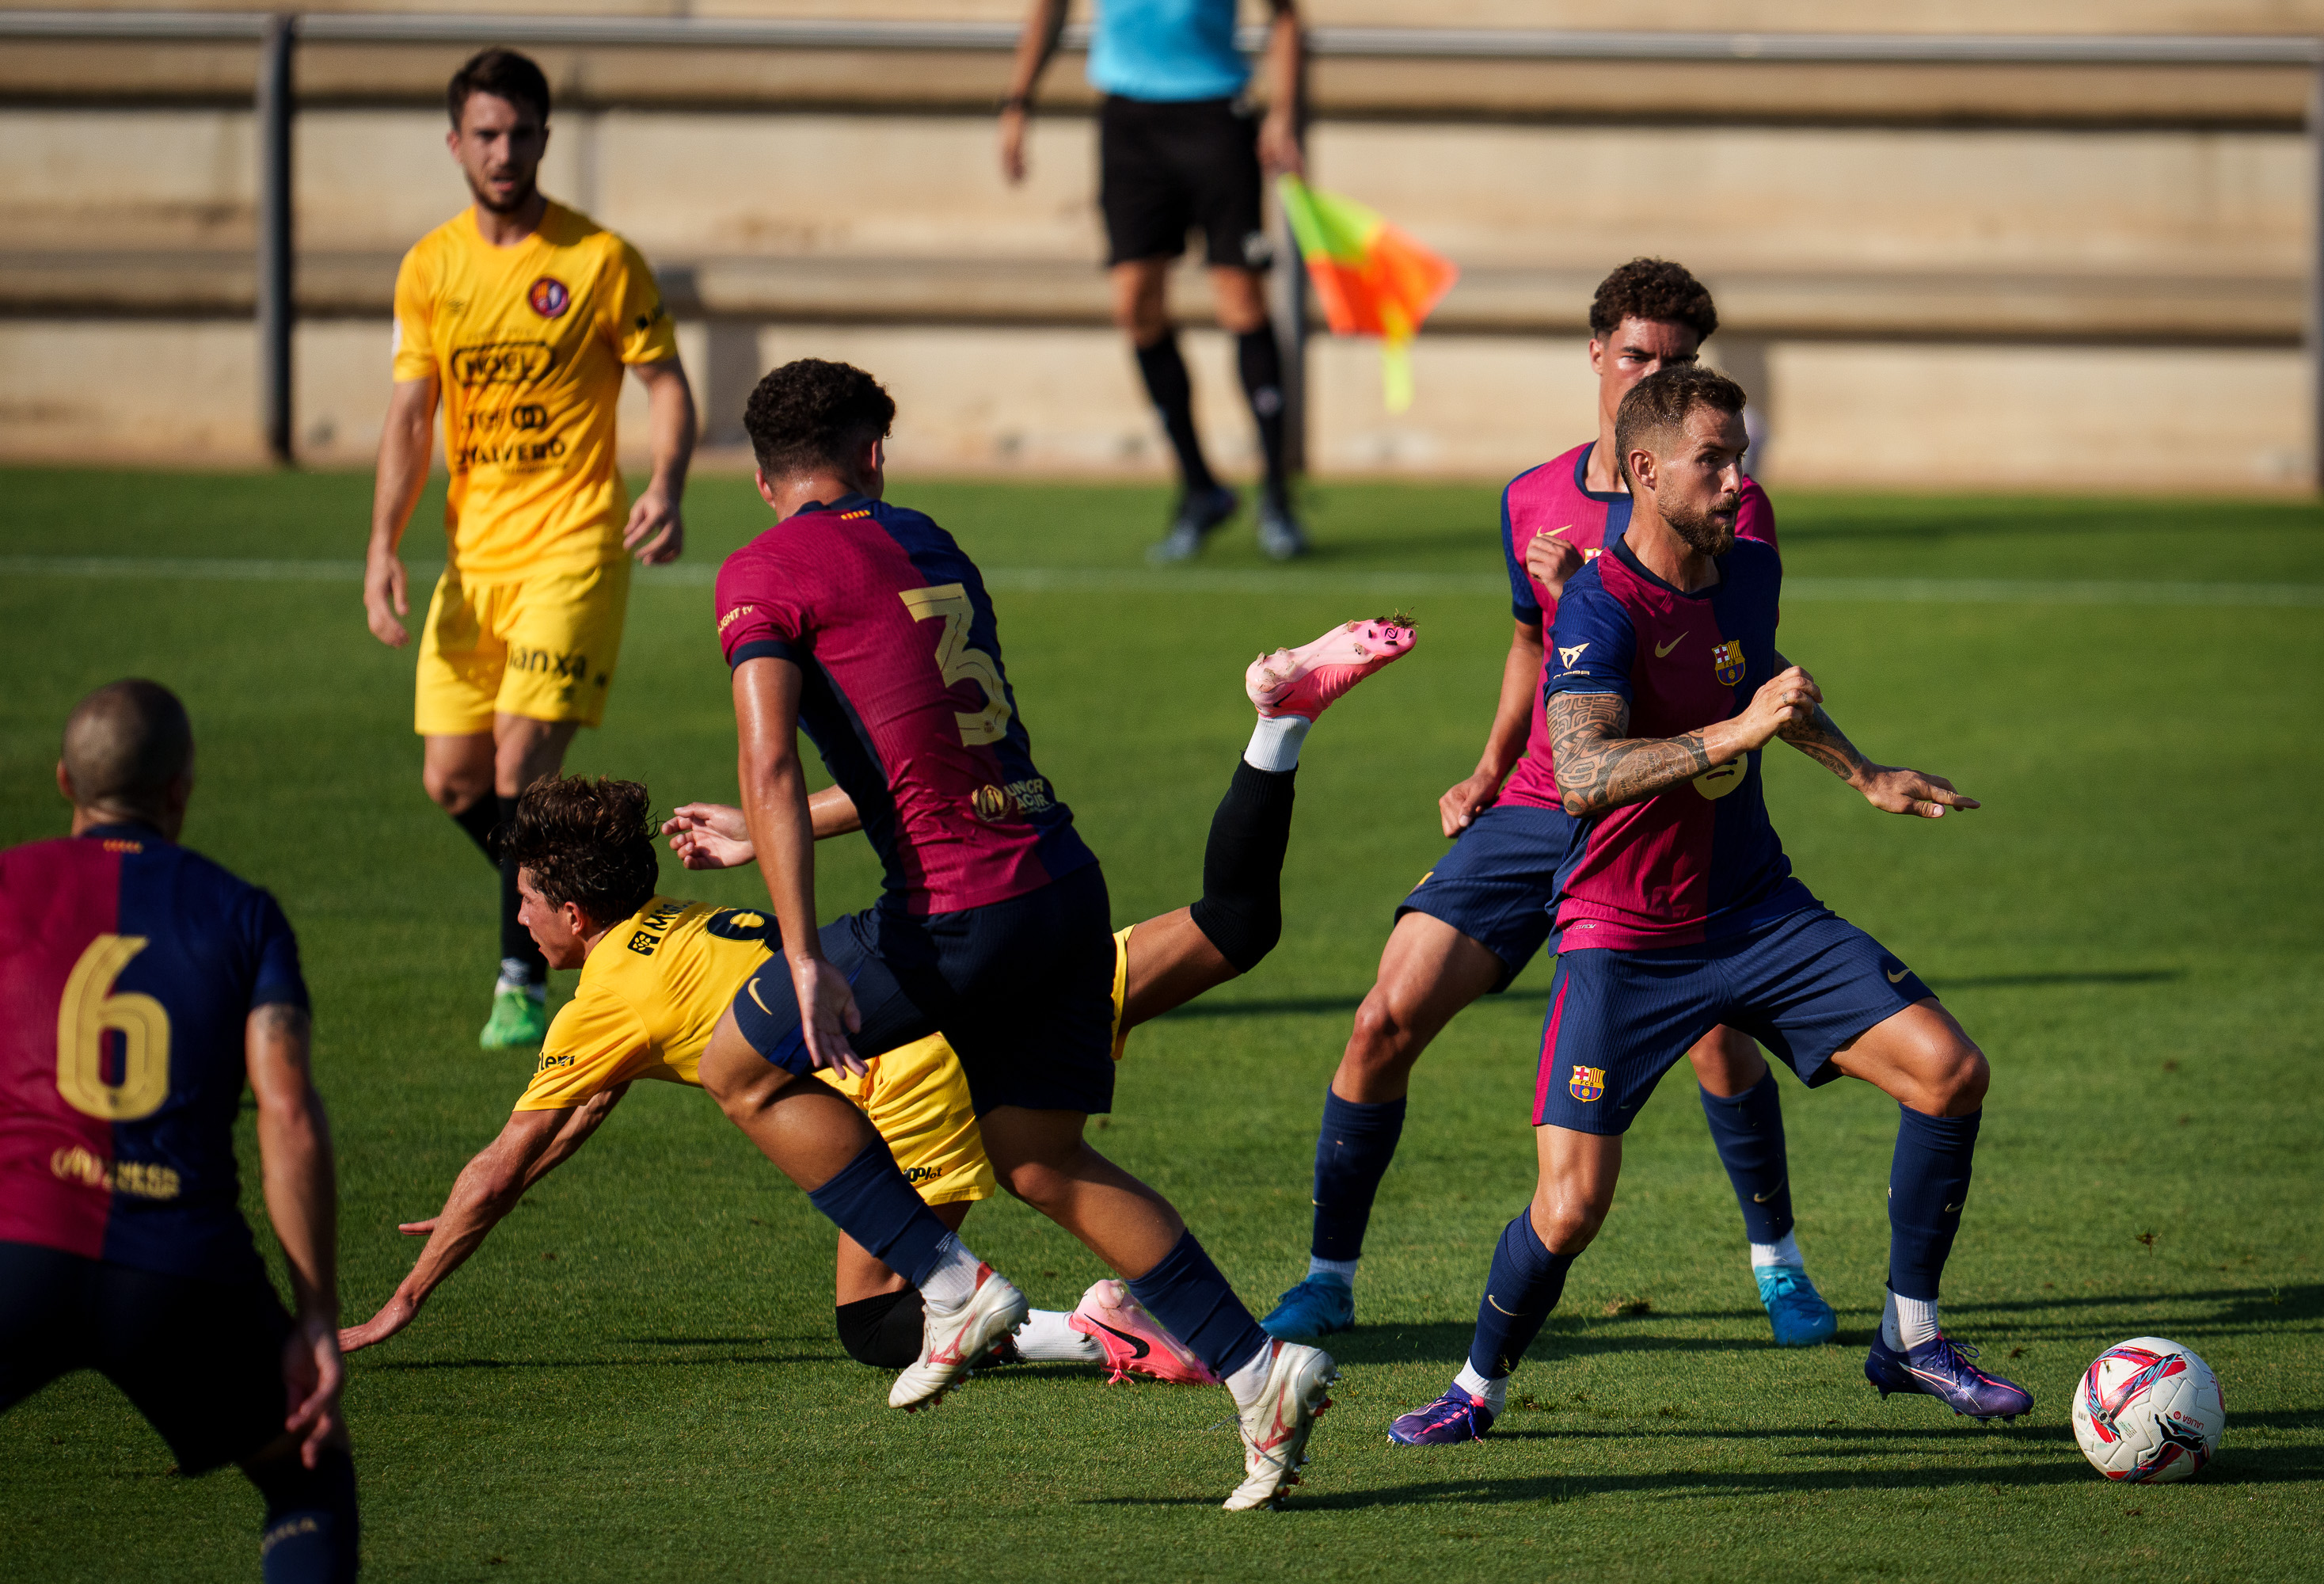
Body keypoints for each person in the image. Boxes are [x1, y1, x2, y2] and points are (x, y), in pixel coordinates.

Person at [338, 607, 1409, 1380]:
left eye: (523, 901)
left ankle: (1106, 1332)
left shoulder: (606, 1000)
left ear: (576, 912)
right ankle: (1279, 726)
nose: (516, 921)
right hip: (994, 961)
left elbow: (506, 1156)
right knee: (1234, 927)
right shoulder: (688, 930)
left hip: (912, 1077)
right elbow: (567, 1123)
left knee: (879, 1324)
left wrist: (400, 1303)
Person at [693, 357, 1344, 1509]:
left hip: (955, 911)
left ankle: (950, 1285)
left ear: (758, 476)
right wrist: (771, 838)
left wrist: (800, 954)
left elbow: (768, 763)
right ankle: (1259, 1370)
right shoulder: (930, 542)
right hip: (1059, 884)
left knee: (740, 1064)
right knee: (1041, 1158)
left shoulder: (764, 570)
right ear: (873, 457)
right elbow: (923, 759)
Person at [1385, 367, 2032, 1446]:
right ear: (1644, 471)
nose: (1740, 481)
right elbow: (1584, 771)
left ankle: (1910, 1338)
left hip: (1756, 913)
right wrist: (1737, 735)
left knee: (1951, 1071)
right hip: (1624, 940)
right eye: (1715, 463)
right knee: (1571, 1207)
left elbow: (1758, 668)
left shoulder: (1748, 567)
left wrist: (1861, 771)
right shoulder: (1598, 606)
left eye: (1742, 457)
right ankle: (1475, 1387)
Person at [1264, 258, 1838, 1350]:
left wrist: (1602, 583)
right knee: (1384, 1017)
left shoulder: (1731, 500)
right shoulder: (1529, 494)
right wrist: (1486, 768)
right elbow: (1531, 644)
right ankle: (1328, 1278)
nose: (1651, 376)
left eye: (1675, 363)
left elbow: (1725, 653)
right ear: (1595, 353)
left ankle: (1778, 1265)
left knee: (1717, 1033)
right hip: (1539, 804)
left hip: (1661, 803)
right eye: (1635, 356)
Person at [362, 47, 698, 1052]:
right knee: (456, 782)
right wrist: (383, 541)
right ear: (456, 143)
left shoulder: (598, 259)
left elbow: (666, 380)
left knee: (518, 759)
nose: (505, 152)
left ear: (547, 140)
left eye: (522, 134)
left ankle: (522, 977)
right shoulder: (431, 267)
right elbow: (411, 415)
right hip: (476, 562)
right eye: (487, 134)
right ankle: (604, 904)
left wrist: (668, 482)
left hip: (575, 544)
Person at [0, 680, 356, 1582]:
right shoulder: (242, 911)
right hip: (184, 1269)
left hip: (19, 1245)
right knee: (307, 1478)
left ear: (62, 780)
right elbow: (287, 1112)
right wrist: (313, 1313)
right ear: (181, 787)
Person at [999, 0, 1309, 562]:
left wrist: (1282, 112)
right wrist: (1019, 100)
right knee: (1135, 304)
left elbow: (1285, 16)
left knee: (1241, 299)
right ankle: (1200, 488)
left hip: (1217, 113)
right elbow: (1051, 9)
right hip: (1131, 123)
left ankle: (1277, 496)